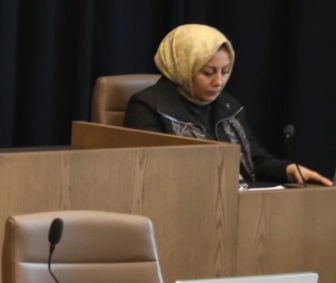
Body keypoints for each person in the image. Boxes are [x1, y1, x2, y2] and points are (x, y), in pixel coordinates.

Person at [124, 24, 331, 187]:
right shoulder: (148, 106)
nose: (219, 82)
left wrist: (289, 170)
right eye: (208, 72)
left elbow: (253, 160)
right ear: (182, 67)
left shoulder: (229, 105)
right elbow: (154, 169)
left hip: (231, 204)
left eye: (225, 71)